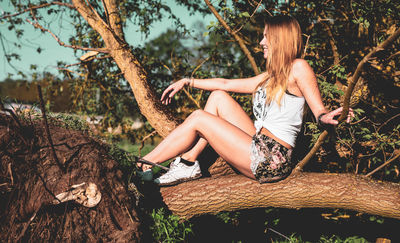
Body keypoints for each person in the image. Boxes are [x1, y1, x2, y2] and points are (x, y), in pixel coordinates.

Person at [137, 15, 353, 186]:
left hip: (271, 158)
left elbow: (319, 112)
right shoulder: (268, 77)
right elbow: (225, 84)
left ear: (280, 39)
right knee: (218, 98)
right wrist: (187, 81)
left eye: (266, 36)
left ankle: (145, 163)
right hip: (258, 143)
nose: (262, 42)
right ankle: (189, 160)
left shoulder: (298, 67)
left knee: (198, 118)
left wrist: (328, 117)